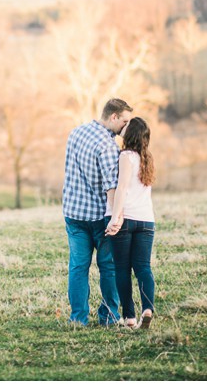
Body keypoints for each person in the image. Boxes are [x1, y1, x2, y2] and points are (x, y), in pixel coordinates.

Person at [62, 98, 133, 326]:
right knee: (108, 267)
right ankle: (109, 317)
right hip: (99, 218)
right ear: (113, 117)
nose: (126, 127)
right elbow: (111, 186)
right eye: (124, 121)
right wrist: (116, 216)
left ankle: (78, 318)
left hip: (73, 213)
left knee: (78, 267)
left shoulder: (76, 132)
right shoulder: (107, 145)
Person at [105, 116, 156, 329]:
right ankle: (147, 308)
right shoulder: (148, 158)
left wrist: (115, 217)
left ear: (130, 133)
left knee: (123, 269)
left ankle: (130, 317)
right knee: (143, 267)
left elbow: (122, 188)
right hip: (147, 221)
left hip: (127, 220)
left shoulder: (126, 155)